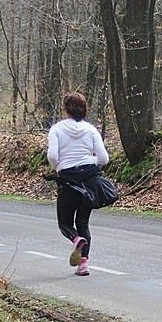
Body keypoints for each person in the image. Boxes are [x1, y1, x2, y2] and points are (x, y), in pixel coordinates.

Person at [47, 92, 109, 276]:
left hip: (68, 180)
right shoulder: (91, 130)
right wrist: (90, 163)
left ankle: (76, 239)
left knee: (65, 223)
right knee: (83, 222)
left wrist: (59, 167)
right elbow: (104, 158)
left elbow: (52, 156)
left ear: (66, 109)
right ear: (84, 109)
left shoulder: (57, 129)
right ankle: (83, 265)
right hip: (89, 180)